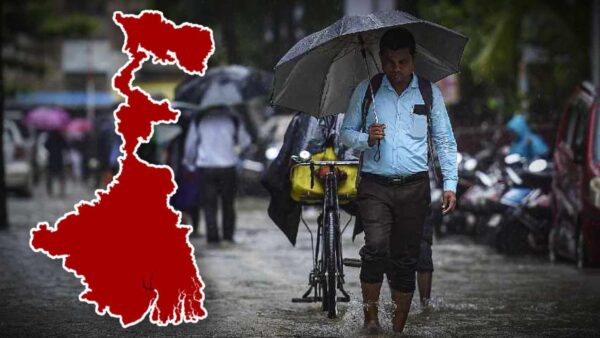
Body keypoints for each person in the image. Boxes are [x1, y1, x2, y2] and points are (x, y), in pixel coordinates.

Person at [340, 27, 458, 334]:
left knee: (407, 258)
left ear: (413, 60)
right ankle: (370, 322)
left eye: (402, 62)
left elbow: (444, 141)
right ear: (380, 59)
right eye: (390, 62)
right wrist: (367, 138)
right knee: (376, 247)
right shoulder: (367, 90)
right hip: (374, 186)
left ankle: (397, 330)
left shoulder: (430, 93)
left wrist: (450, 185)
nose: (396, 69)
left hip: (415, 186)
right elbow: (346, 135)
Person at [182, 106, 251, 243]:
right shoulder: (233, 118)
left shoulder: (199, 119)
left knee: (209, 205)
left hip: (206, 167)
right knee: (228, 204)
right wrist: (234, 150)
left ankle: (213, 238)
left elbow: (190, 146)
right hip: (228, 167)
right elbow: (246, 142)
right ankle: (228, 237)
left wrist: (189, 163)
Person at [44, 129, 68, 197]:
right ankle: (61, 191)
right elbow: (66, 146)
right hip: (57, 159)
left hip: (52, 159)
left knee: (52, 177)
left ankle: (51, 191)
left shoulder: (50, 136)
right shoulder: (60, 136)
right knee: (59, 176)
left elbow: (46, 146)